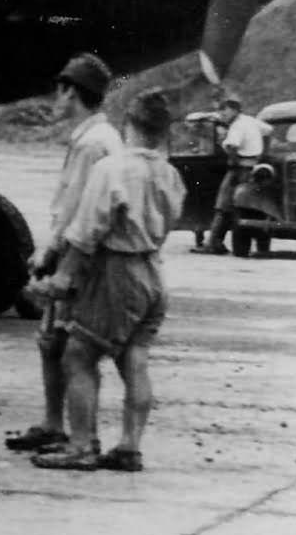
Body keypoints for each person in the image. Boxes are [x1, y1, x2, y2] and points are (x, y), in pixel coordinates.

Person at [30, 87, 187, 473]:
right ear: (165, 132)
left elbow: (86, 232)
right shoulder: (171, 174)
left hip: (117, 270)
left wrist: (63, 277)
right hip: (153, 269)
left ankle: (82, 445)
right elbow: (172, 221)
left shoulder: (111, 170)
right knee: (135, 358)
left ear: (128, 123)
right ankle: (130, 446)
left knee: (78, 354)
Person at [5, 53, 122, 456]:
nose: (56, 98)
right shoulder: (99, 138)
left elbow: (77, 207)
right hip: (81, 250)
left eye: (61, 89)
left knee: (68, 345)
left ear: (72, 92)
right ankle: (56, 426)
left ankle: (75, 435)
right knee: (50, 340)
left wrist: (50, 253)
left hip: (77, 254)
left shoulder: (91, 145)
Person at [200, 91, 270, 254]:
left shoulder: (237, 126)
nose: (222, 113)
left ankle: (213, 243)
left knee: (223, 206)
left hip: (240, 169)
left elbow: (232, 146)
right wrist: (261, 153)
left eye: (224, 110)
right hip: (254, 167)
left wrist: (233, 161)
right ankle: (258, 245)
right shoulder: (250, 121)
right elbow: (268, 130)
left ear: (234, 110)